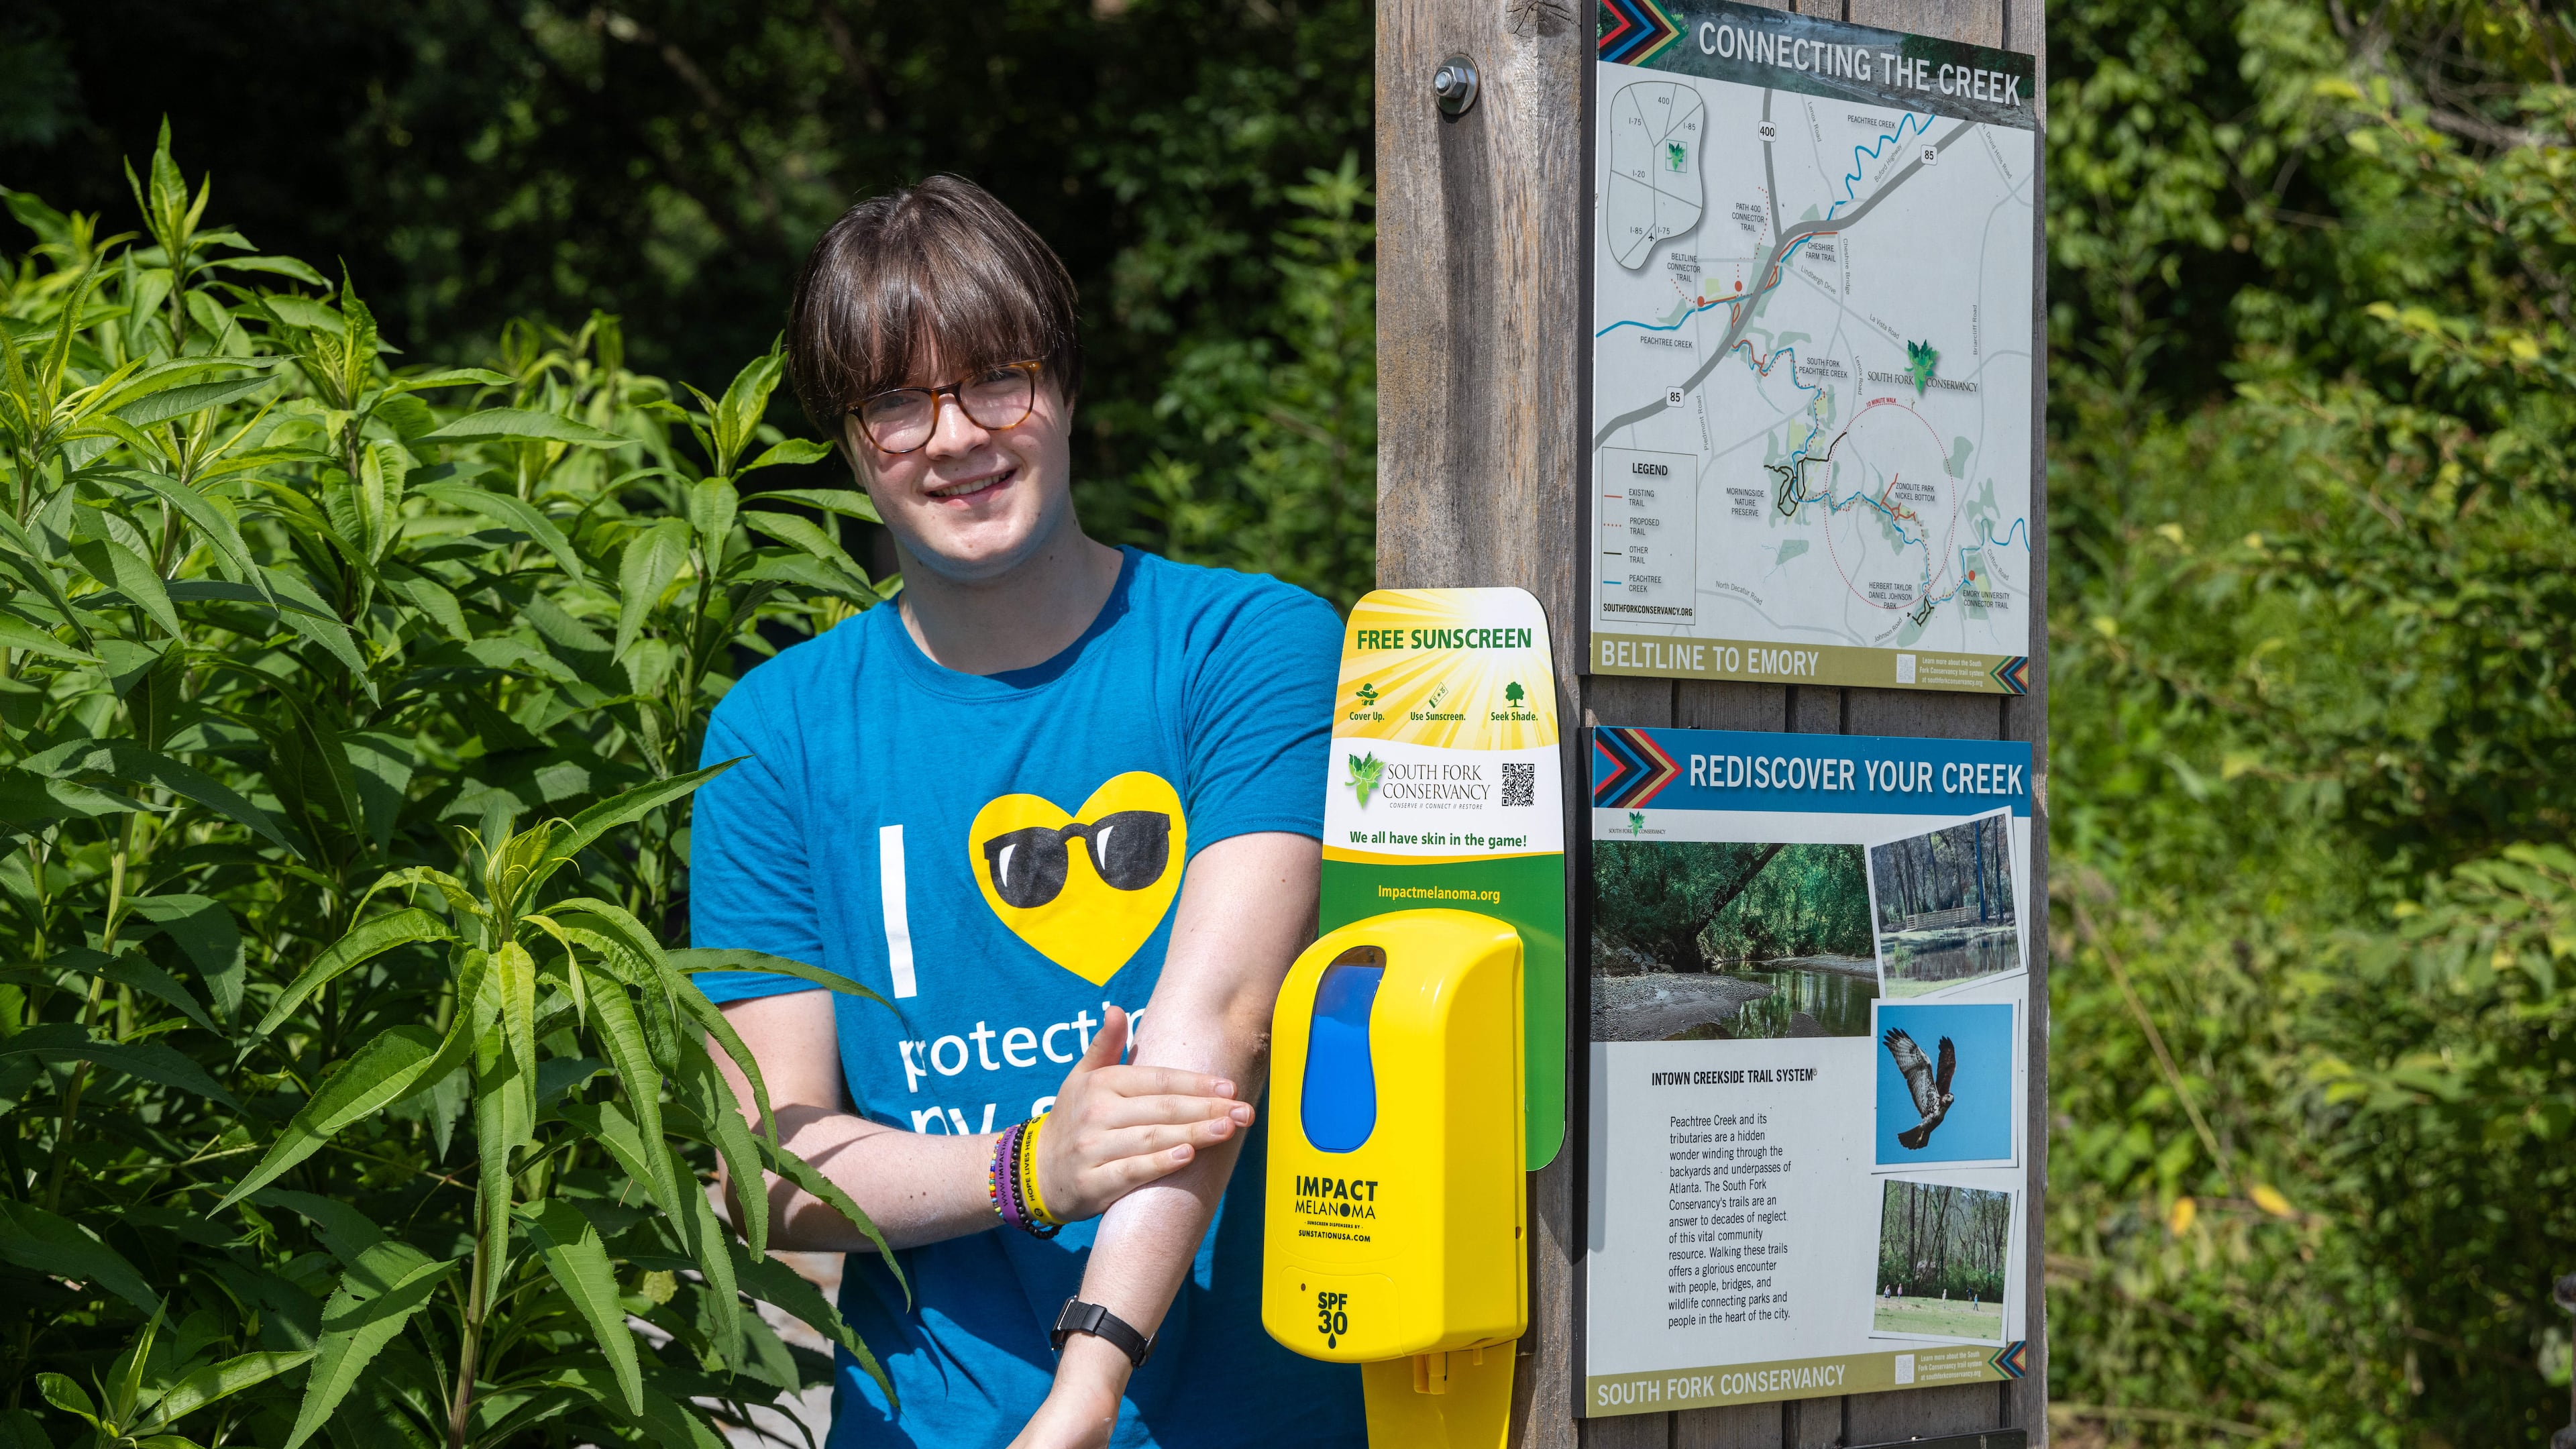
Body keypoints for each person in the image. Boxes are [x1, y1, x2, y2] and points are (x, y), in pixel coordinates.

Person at [687, 175, 1363, 1449]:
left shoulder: (1250, 645)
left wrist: (1087, 1387)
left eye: (997, 376)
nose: (955, 436)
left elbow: (1216, 1026)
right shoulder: (773, 734)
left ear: (1065, 382)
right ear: (846, 437)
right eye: (897, 402)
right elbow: (764, 1166)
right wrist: (1029, 1167)